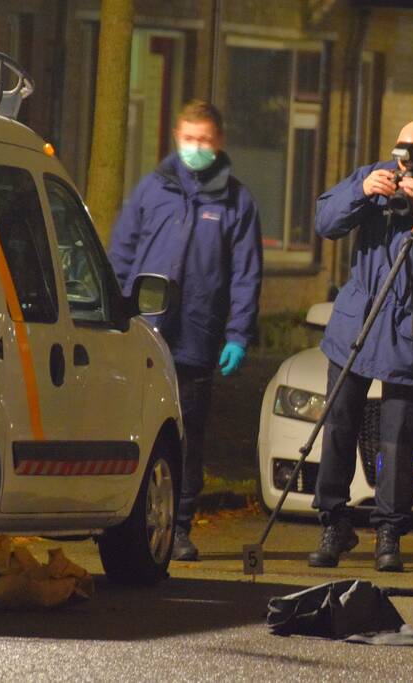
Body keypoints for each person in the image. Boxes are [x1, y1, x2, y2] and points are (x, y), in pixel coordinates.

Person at [309, 120, 413, 571]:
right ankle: (334, 522)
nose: (404, 165)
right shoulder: (375, 177)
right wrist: (362, 191)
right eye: (399, 153)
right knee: (338, 426)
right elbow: (325, 222)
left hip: (409, 332)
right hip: (356, 326)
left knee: (398, 440)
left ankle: (388, 532)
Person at [108, 100, 263, 562]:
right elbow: (122, 253)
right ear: (176, 136)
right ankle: (127, 519)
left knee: (187, 435)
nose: (195, 148)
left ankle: (178, 526)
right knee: (136, 428)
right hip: (143, 332)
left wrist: (238, 334)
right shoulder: (152, 190)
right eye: (189, 138)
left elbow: (245, 274)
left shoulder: (236, 203)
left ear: (219, 143)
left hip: (197, 335)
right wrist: (112, 311)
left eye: (205, 140)